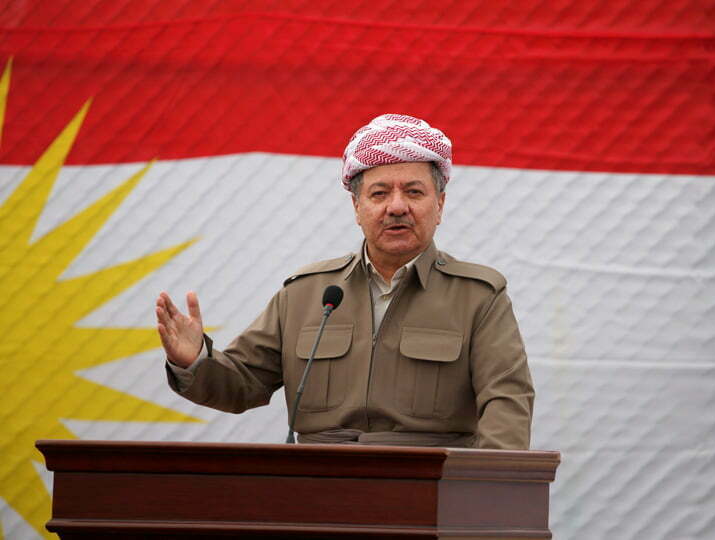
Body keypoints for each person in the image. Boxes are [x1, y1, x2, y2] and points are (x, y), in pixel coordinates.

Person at [157, 114, 534, 449]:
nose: (396, 207)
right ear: (357, 207)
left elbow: (506, 400)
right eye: (379, 193)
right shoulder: (306, 293)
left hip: (432, 481)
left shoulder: (478, 296)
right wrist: (194, 360)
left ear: (440, 205)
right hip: (322, 482)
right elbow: (242, 384)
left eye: (414, 192)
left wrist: (489, 483)